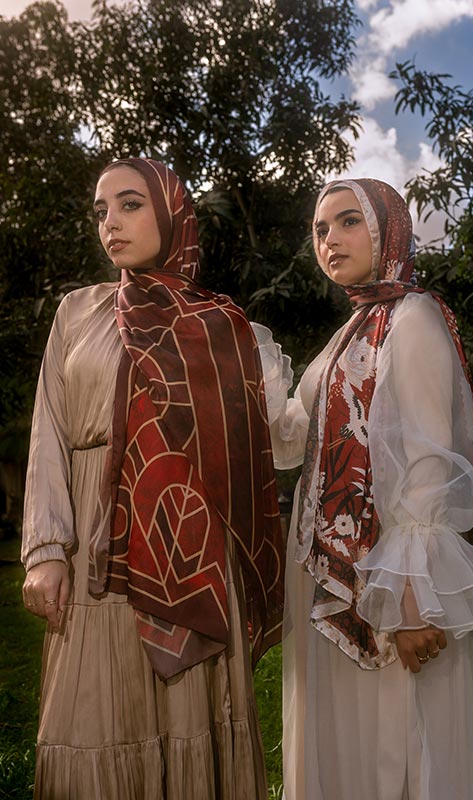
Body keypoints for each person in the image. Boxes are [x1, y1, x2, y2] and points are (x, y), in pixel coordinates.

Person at [21, 157, 284, 799]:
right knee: (90, 715)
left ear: (171, 214)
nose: (110, 222)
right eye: (101, 211)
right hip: (95, 538)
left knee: (189, 719)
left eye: (130, 204)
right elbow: (48, 431)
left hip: (191, 550)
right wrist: (45, 549)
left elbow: (245, 455)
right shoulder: (77, 312)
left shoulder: (220, 324)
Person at [254, 178, 473, 800]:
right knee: (341, 740)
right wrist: (250, 370)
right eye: (320, 229)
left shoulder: (414, 318)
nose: (330, 239)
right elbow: (294, 442)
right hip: (332, 571)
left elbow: (430, 461)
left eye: (349, 222)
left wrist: (411, 602)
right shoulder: (353, 329)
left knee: (392, 739)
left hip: (388, 581)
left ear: (388, 229)